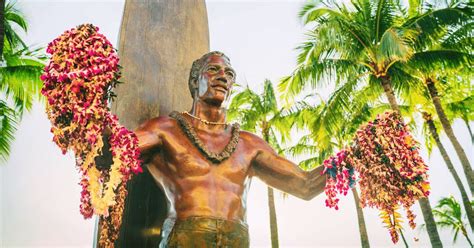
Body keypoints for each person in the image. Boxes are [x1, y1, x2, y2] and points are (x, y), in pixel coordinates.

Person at [99, 51, 326, 247]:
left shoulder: (249, 144)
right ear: (195, 81)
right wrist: (91, 100)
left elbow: (305, 185)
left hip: (236, 241)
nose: (223, 77)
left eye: (229, 74)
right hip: (184, 239)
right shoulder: (166, 130)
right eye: (213, 69)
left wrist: (355, 156)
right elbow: (112, 155)